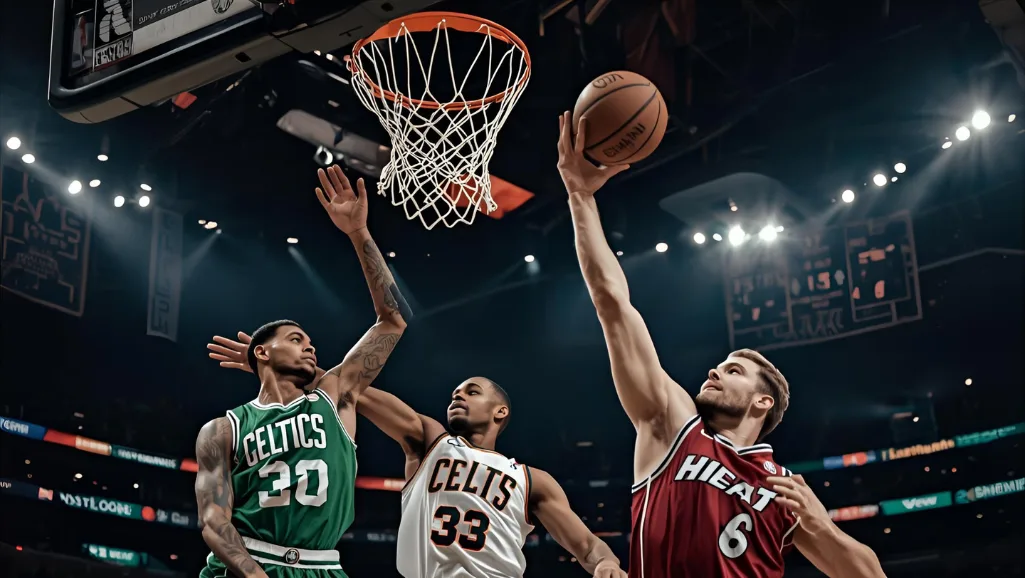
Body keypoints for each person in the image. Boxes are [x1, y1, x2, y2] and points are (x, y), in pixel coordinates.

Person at [556, 112, 886, 578]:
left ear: (762, 401)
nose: (714, 371)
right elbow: (613, 305)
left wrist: (820, 525)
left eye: (734, 371)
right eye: (720, 365)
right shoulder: (672, 426)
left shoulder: (783, 487)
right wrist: (581, 196)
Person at [208, 336, 628, 578]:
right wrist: (279, 371)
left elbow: (587, 546)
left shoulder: (532, 479)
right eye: (455, 392)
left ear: (500, 412)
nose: (458, 396)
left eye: (472, 391)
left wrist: (606, 564)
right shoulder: (430, 441)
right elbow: (354, 390)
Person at [196, 165, 409, 578]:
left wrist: (358, 233)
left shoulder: (334, 395)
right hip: (246, 565)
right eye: (296, 339)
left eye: (310, 341)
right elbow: (213, 520)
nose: (309, 346)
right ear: (261, 351)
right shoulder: (223, 429)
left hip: (321, 566)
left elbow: (394, 320)